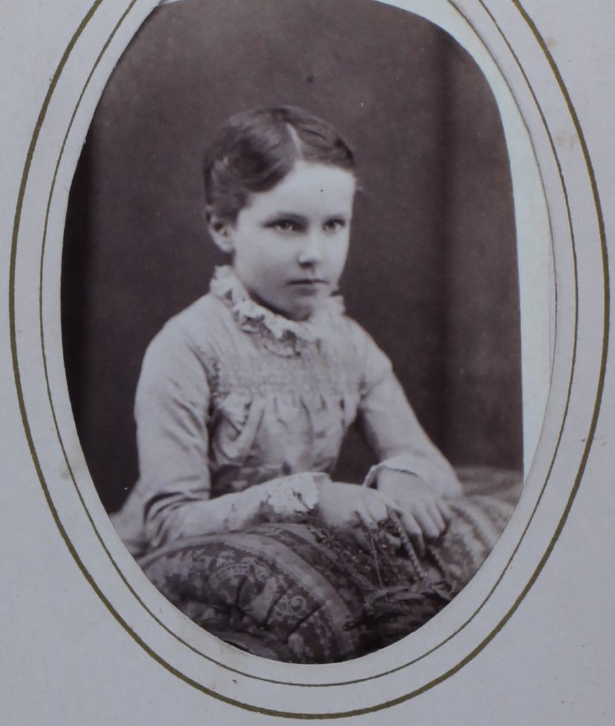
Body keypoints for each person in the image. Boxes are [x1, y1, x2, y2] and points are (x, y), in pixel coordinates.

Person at [112, 105, 462, 563]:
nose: (315, 254)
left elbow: (438, 472)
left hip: (280, 565)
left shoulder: (348, 344)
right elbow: (169, 522)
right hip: (155, 570)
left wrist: (401, 475)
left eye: (334, 225)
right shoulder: (188, 346)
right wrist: (310, 500)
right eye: (286, 225)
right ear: (223, 227)